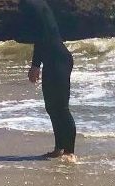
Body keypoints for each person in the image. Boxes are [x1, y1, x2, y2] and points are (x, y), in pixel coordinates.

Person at [19, 0, 76, 163]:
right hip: (52, 61)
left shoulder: (32, 5)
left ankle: (70, 152)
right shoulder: (33, 4)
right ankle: (59, 149)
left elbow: (42, 34)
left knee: (61, 107)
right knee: (51, 107)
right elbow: (40, 35)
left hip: (59, 60)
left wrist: (36, 65)